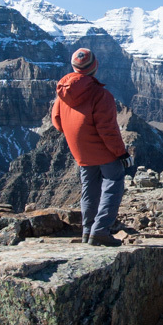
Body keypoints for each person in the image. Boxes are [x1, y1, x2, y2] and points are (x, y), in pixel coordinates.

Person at [51, 48, 133, 246]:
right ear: (95, 67)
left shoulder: (63, 93)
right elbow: (108, 131)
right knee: (113, 184)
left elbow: (57, 121)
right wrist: (121, 153)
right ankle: (100, 231)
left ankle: (87, 231)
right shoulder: (100, 95)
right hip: (103, 151)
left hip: (81, 152)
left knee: (89, 189)